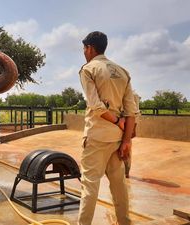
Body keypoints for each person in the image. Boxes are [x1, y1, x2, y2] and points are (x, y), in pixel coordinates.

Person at [77, 31, 137, 225]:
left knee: (90, 186)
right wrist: (126, 140)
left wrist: (115, 121)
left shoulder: (88, 69)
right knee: (119, 186)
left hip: (97, 137)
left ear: (90, 48)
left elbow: (95, 106)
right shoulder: (123, 72)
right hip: (118, 140)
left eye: (84, 48)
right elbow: (131, 111)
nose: (84, 52)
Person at [124, 91, 141, 178]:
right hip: (118, 124)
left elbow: (135, 113)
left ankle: (126, 172)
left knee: (126, 149)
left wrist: (133, 128)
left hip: (127, 125)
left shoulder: (133, 94)